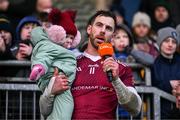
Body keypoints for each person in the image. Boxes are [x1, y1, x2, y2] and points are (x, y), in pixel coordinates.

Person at [39, 10, 142, 119]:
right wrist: (51, 92)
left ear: (112, 37)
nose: (103, 31)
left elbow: (135, 109)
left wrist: (116, 80)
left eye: (108, 28)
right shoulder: (69, 63)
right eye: (99, 25)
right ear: (89, 29)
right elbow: (44, 110)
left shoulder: (121, 68)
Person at [151, 27, 180, 119]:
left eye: (174, 42)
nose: (170, 45)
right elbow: (152, 84)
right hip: (160, 112)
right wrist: (169, 84)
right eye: (166, 41)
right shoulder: (154, 63)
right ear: (160, 43)